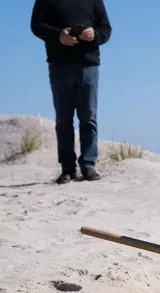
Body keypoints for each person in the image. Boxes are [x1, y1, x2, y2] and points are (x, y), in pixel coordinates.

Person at [30, 0, 112, 184]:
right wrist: (59, 35)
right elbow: (36, 25)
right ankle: (67, 169)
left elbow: (106, 29)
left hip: (89, 65)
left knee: (88, 117)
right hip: (59, 65)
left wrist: (94, 34)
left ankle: (88, 165)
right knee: (64, 119)